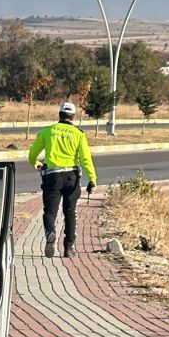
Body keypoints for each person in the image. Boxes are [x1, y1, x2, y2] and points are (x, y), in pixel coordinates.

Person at [28, 102, 97, 258]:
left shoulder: (47, 131)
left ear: (59, 115)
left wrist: (36, 164)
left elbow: (32, 154)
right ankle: (69, 247)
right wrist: (92, 179)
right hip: (71, 178)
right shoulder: (79, 134)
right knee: (70, 212)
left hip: (52, 177)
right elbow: (86, 159)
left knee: (50, 211)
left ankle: (51, 233)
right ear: (73, 116)